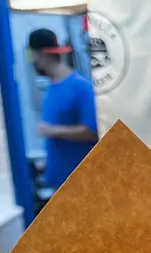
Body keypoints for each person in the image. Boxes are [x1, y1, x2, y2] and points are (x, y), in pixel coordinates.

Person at [28, 28, 98, 192]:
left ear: (42, 55)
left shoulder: (81, 88)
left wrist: (54, 131)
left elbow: (93, 131)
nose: (32, 62)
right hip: (59, 183)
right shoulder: (51, 88)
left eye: (32, 56)